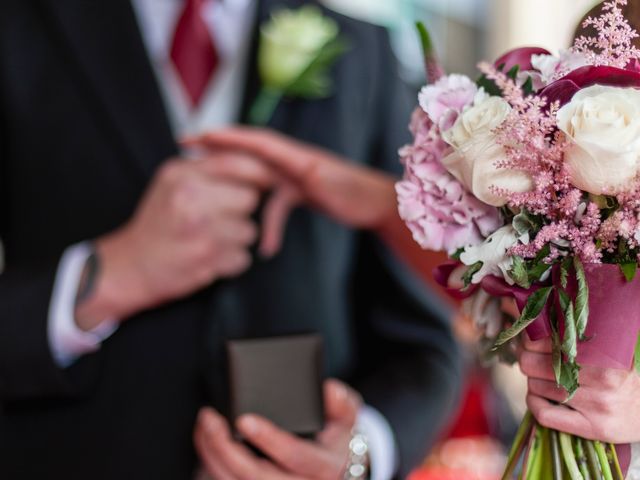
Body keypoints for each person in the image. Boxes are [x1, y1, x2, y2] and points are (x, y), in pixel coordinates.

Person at [0, 1, 461, 479]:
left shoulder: (365, 52)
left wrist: (357, 455)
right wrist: (103, 277)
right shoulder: (20, 27)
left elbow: (424, 342)